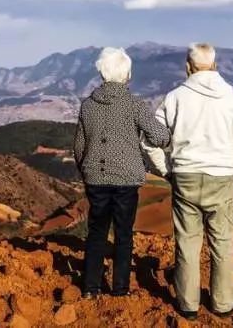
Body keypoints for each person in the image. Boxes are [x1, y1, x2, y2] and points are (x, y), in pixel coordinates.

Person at [143, 43, 233, 320]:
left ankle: (187, 305)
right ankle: (223, 303)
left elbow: (150, 140)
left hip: (185, 177)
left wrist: (166, 170)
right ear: (214, 65)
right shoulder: (230, 97)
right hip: (222, 177)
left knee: (188, 243)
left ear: (188, 67)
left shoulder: (175, 97)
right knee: (222, 243)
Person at [74, 47, 170, 299]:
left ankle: (90, 288)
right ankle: (120, 289)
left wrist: (87, 171)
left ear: (101, 73)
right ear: (127, 74)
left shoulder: (87, 106)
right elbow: (160, 136)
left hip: (95, 177)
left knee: (96, 232)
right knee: (124, 234)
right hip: (127, 179)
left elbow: (79, 146)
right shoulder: (135, 105)